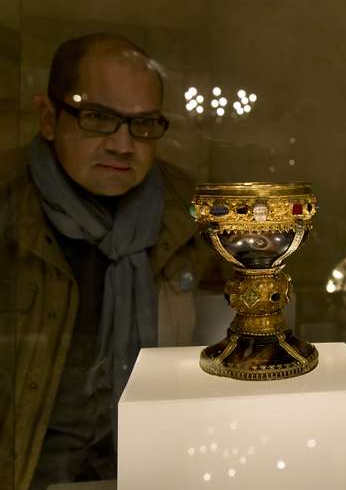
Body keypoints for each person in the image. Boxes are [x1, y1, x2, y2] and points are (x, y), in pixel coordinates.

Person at [0, 33, 215, 490]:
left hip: (147, 467)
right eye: (99, 118)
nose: (123, 144)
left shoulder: (190, 210)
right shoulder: (7, 204)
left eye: (142, 125)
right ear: (48, 118)